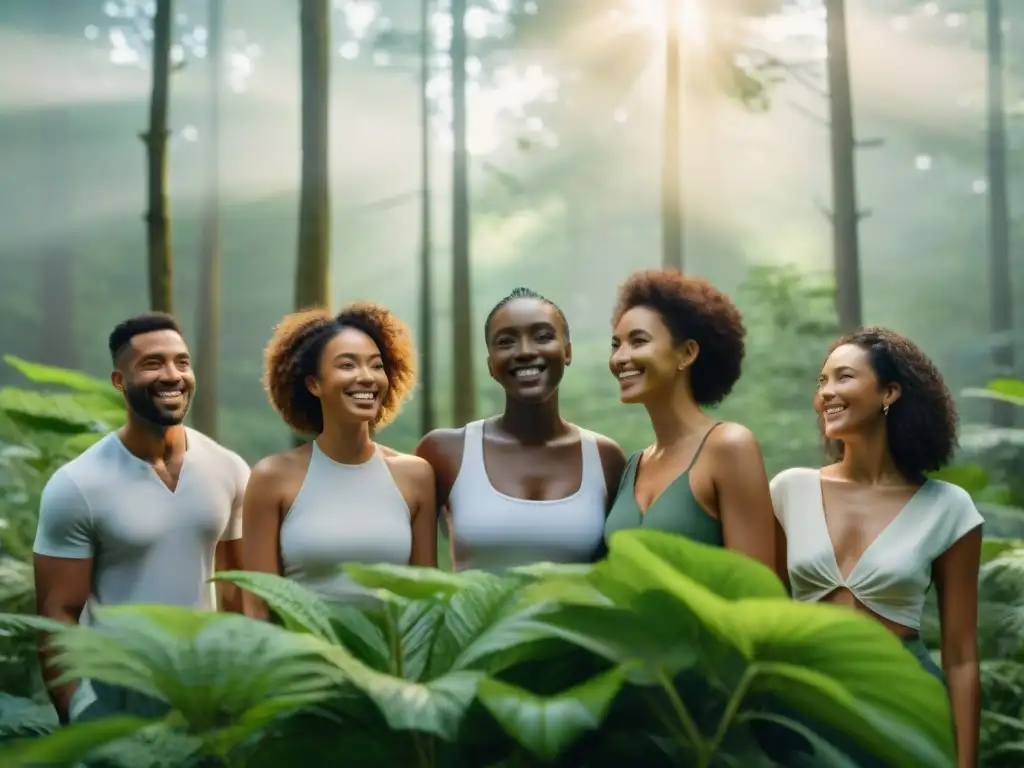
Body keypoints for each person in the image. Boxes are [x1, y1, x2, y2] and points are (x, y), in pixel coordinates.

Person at [770, 326, 981, 768]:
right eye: (821, 381)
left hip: (903, 705)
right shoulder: (790, 490)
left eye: (843, 377)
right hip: (805, 703)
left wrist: (965, 764)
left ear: (889, 391)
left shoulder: (947, 508)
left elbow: (960, 655)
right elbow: (762, 614)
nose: (827, 392)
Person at [32, 312, 249, 724]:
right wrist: (78, 713)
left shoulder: (230, 469)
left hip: (206, 702)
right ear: (119, 381)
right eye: (153, 364)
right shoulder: (78, 484)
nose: (173, 375)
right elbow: (58, 615)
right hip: (116, 705)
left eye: (182, 362)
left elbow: (239, 594)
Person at [242, 302, 436, 612]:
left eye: (376, 365)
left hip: (391, 659)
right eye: (347, 365)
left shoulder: (415, 476)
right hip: (304, 658)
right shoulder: (271, 478)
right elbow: (257, 607)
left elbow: (426, 600)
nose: (367, 377)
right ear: (313, 384)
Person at [416, 287, 627, 572]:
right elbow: (413, 577)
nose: (526, 351)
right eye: (506, 342)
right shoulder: (445, 452)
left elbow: (617, 573)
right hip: (479, 618)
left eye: (542, 337)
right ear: (491, 364)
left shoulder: (606, 458)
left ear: (567, 351)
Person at [604, 269, 777, 571]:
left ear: (687, 353)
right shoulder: (633, 465)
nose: (620, 357)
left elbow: (757, 590)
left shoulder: (730, 447)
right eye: (616, 344)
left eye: (638, 341)